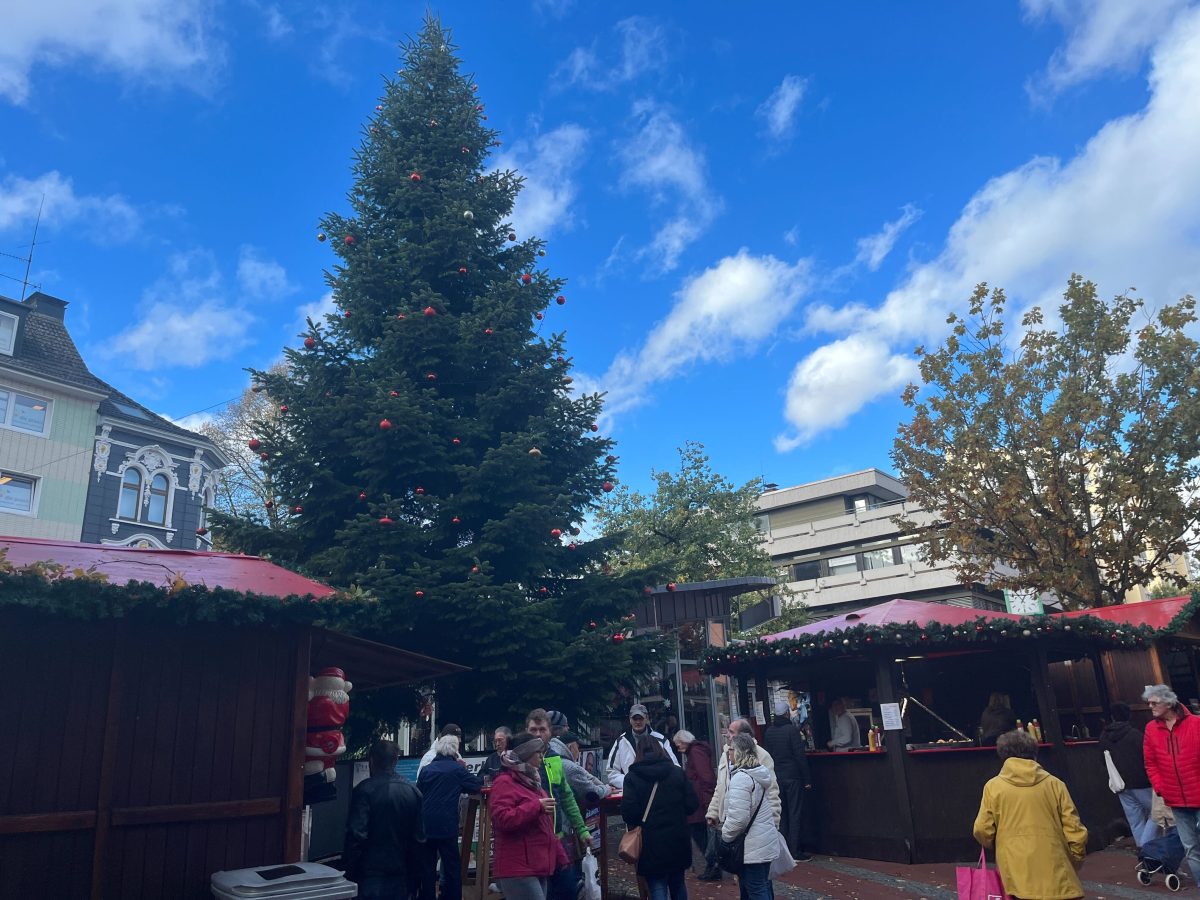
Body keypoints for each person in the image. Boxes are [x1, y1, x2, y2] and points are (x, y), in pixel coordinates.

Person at [972, 729, 1087, 900]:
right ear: (1034, 753)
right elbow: (1074, 829)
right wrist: (1074, 860)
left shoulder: (994, 787)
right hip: (1056, 868)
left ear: (1003, 755)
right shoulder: (1055, 784)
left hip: (1014, 870)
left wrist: (999, 845)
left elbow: (982, 829)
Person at [344, 739, 426, 900]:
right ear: (395, 761)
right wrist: (415, 881)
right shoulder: (413, 792)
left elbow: (356, 836)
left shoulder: (364, 791)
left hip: (369, 876)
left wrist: (349, 874)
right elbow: (419, 841)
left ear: (371, 761)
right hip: (401, 877)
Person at [621, 734, 698, 900]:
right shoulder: (677, 773)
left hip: (650, 841)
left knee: (657, 885)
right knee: (678, 883)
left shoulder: (632, 777)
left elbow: (629, 813)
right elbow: (692, 804)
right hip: (678, 837)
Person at [490, 732, 566, 900]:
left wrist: (560, 855)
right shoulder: (504, 782)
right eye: (537, 752)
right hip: (517, 868)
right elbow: (502, 818)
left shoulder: (533, 782)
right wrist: (536, 806)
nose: (541, 756)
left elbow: (546, 826)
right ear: (525, 754)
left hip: (537, 864)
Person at [526, 709, 590, 900]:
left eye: (542, 729)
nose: (538, 734)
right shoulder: (518, 759)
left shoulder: (555, 758)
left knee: (567, 890)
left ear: (550, 732)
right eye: (533, 729)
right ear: (526, 730)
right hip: (531, 839)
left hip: (557, 837)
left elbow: (566, 797)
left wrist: (582, 829)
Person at [1143, 684, 1200, 886]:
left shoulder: (1196, 724)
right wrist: (1161, 788)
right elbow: (1150, 763)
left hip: (1198, 795)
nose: (1150, 706)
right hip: (1175, 800)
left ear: (1168, 703)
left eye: (1154, 703)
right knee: (1190, 847)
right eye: (1149, 703)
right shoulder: (1151, 729)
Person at [415, 734, 481, 900]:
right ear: (455, 750)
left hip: (426, 824)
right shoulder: (457, 770)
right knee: (452, 866)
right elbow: (476, 785)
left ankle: (427, 896)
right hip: (447, 825)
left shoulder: (426, 770)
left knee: (427, 866)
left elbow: (418, 793)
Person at [705, 718, 781, 863]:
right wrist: (713, 812)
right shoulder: (726, 754)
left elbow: (772, 792)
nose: (727, 734)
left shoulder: (762, 755)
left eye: (731, 732)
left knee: (754, 869)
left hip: (752, 827)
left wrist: (774, 824)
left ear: (743, 736)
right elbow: (720, 787)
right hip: (729, 822)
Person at [721, 733, 779, 900]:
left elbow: (738, 819)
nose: (728, 753)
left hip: (751, 846)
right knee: (761, 885)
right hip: (762, 841)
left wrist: (725, 837)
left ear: (739, 752)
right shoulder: (757, 773)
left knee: (756, 889)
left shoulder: (741, 778)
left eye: (731, 749)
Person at [1098, 701, 1157, 847]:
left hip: (1120, 784)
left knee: (1135, 820)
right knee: (1156, 813)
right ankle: (1146, 845)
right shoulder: (1136, 735)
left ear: (1112, 717)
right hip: (1142, 782)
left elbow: (1103, 761)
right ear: (1129, 716)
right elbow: (1148, 757)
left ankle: (1143, 849)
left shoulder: (1104, 737)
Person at [761, 702, 813, 861]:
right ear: (786, 714)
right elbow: (799, 755)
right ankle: (795, 850)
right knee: (795, 812)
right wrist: (807, 778)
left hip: (776, 776)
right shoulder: (791, 730)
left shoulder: (769, 732)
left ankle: (783, 850)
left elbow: (767, 755)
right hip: (792, 776)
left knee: (781, 813)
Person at [672, 729, 718, 879]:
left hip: (700, 803)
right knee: (702, 835)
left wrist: (707, 802)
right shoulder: (696, 751)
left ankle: (713, 865)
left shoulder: (695, 752)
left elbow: (706, 777)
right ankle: (713, 865)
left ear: (684, 741)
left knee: (701, 835)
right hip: (700, 801)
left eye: (678, 744)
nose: (677, 747)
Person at [545, 710, 611, 806]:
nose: (579, 749)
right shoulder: (568, 766)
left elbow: (589, 776)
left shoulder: (552, 755)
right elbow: (591, 793)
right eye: (577, 746)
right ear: (570, 747)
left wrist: (602, 786)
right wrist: (607, 789)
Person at [607, 703, 680, 790]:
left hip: (657, 791)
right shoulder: (620, 742)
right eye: (635, 718)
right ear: (630, 720)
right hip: (632, 792)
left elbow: (675, 767)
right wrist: (631, 782)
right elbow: (612, 772)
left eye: (641, 718)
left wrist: (662, 784)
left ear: (646, 718)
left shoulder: (661, 740)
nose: (638, 722)